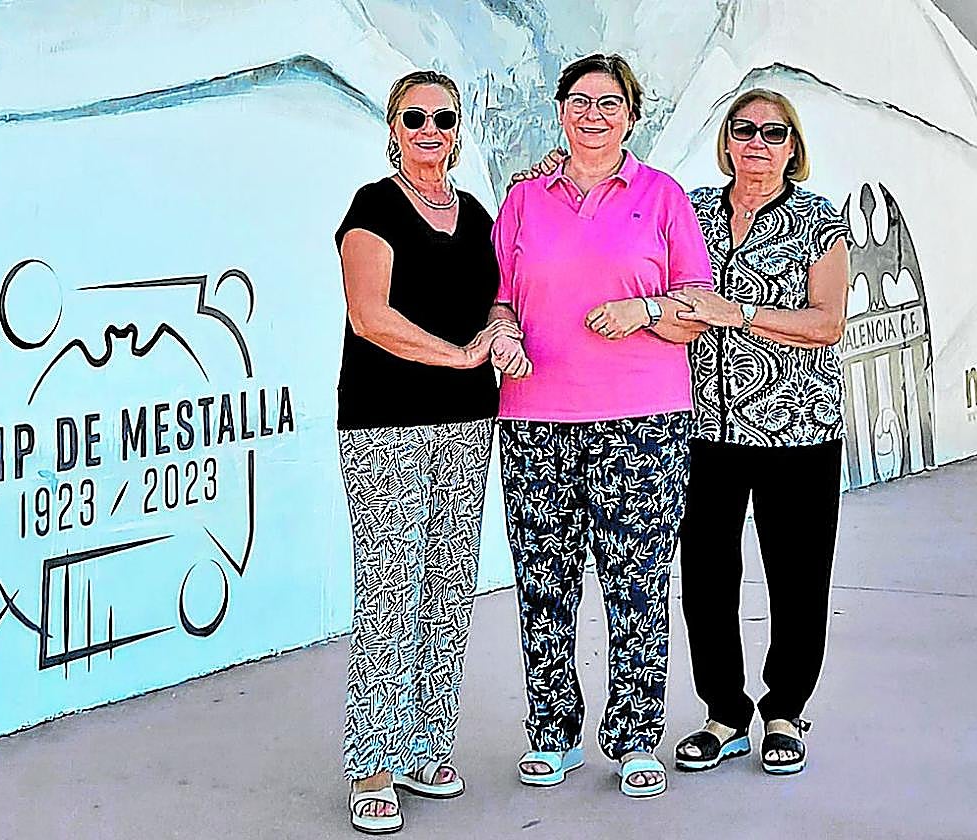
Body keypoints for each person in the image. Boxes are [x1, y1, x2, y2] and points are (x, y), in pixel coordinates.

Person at [488, 53, 712, 799]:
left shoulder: (664, 198)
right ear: (559, 112)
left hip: (642, 423)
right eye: (579, 101)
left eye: (609, 102)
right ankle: (553, 735)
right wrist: (505, 334)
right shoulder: (524, 200)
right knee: (543, 583)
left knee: (637, 582)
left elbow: (695, 313)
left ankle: (636, 736)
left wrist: (643, 312)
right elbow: (499, 299)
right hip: (534, 421)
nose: (593, 115)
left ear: (631, 115)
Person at [334, 69, 521, 834]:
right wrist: (460, 356)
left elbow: (500, 303)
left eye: (443, 117)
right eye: (415, 118)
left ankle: (424, 741)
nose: (430, 131)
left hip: (469, 424)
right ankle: (371, 763)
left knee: (447, 581)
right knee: (389, 587)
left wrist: (499, 337)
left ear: (459, 127)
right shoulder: (372, 209)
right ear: (393, 125)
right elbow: (370, 317)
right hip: (386, 425)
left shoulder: (476, 214)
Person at [669, 88, 851, 776]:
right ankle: (723, 713)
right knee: (706, 576)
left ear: (792, 146)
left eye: (773, 133)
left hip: (797, 430)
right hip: (703, 429)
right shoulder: (692, 211)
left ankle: (784, 712)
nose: (757, 143)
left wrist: (736, 311)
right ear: (727, 140)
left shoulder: (816, 220)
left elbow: (827, 322)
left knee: (798, 578)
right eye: (744, 129)